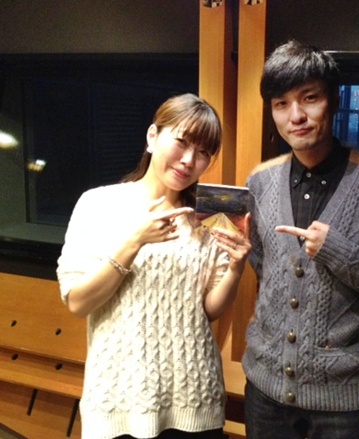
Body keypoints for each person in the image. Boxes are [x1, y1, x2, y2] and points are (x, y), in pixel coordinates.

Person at [243, 40, 359, 439]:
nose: (296, 115)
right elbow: (265, 267)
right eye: (281, 104)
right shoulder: (259, 181)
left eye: (309, 98)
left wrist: (339, 253)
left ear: (334, 100)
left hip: (345, 402)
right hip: (264, 391)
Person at [57, 93, 251, 439]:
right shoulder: (98, 204)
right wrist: (134, 242)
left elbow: (208, 310)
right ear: (152, 136)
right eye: (182, 142)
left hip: (195, 396)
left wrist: (236, 268)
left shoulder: (209, 217)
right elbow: (78, 302)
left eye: (203, 152)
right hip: (120, 398)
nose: (189, 160)